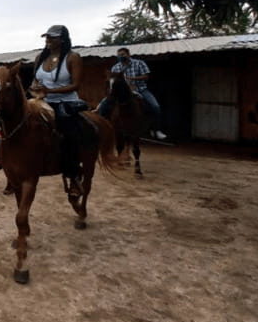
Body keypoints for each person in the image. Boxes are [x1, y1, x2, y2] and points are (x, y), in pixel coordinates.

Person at [29, 25, 86, 195]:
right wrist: (35, 88)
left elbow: (75, 85)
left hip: (65, 102)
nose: (48, 40)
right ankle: (2, 159)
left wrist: (50, 91)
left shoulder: (72, 57)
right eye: (47, 37)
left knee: (68, 132)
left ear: (62, 39)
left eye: (52, 37)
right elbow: (34, 81)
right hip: (42, 100)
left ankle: (74, 175)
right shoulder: (40, 57)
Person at [97, 47, 166, 140]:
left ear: (128, 54)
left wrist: (131, 78)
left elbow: (146, 77)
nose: (121, 57)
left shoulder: (139, 63)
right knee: (102, 106)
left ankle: (156, 130)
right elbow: (112, 80)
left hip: (140, 89)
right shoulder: (116, 67)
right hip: (121, 93)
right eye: (119, 55)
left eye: (123, 54)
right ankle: (102, 129)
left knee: (155, 106)